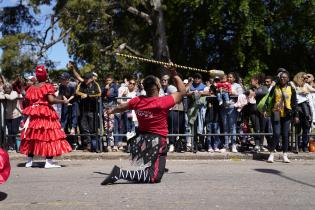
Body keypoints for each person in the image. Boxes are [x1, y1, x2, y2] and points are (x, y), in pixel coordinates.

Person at [101, 65, 185, 185]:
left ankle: (152, 167)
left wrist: (111, 111)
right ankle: (119, 173)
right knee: (153, 177)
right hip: (156, 142)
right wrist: (174, 72)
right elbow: (182, 92)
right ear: (157, 86)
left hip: (142, 141)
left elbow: (121, 107)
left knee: (155, 170)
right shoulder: (162, 102)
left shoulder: (137, 100)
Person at [19, 65, 72, 168]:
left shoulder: (32, 87)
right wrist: (63, 101)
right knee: (49, 136)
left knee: (33, 136)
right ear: (44, 75)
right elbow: (51, 100)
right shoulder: (47, 86)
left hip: (34, 113)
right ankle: (48, 162)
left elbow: (26, 101)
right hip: (45, 112)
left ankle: (29, 162)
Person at [264, 71, 299, 163]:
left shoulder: (291, 88)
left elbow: (295, 102)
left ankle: (285, 155)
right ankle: (271, 154)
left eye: (285, 77)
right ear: (279, 78)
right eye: (281, 77)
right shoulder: (275, 87)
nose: (283, 79)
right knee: (276, 133)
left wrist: (296, 115)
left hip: (287, 114)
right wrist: (266, 110)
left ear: (288, 79)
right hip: (276, 113)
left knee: (285, 134)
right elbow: (269, 99)